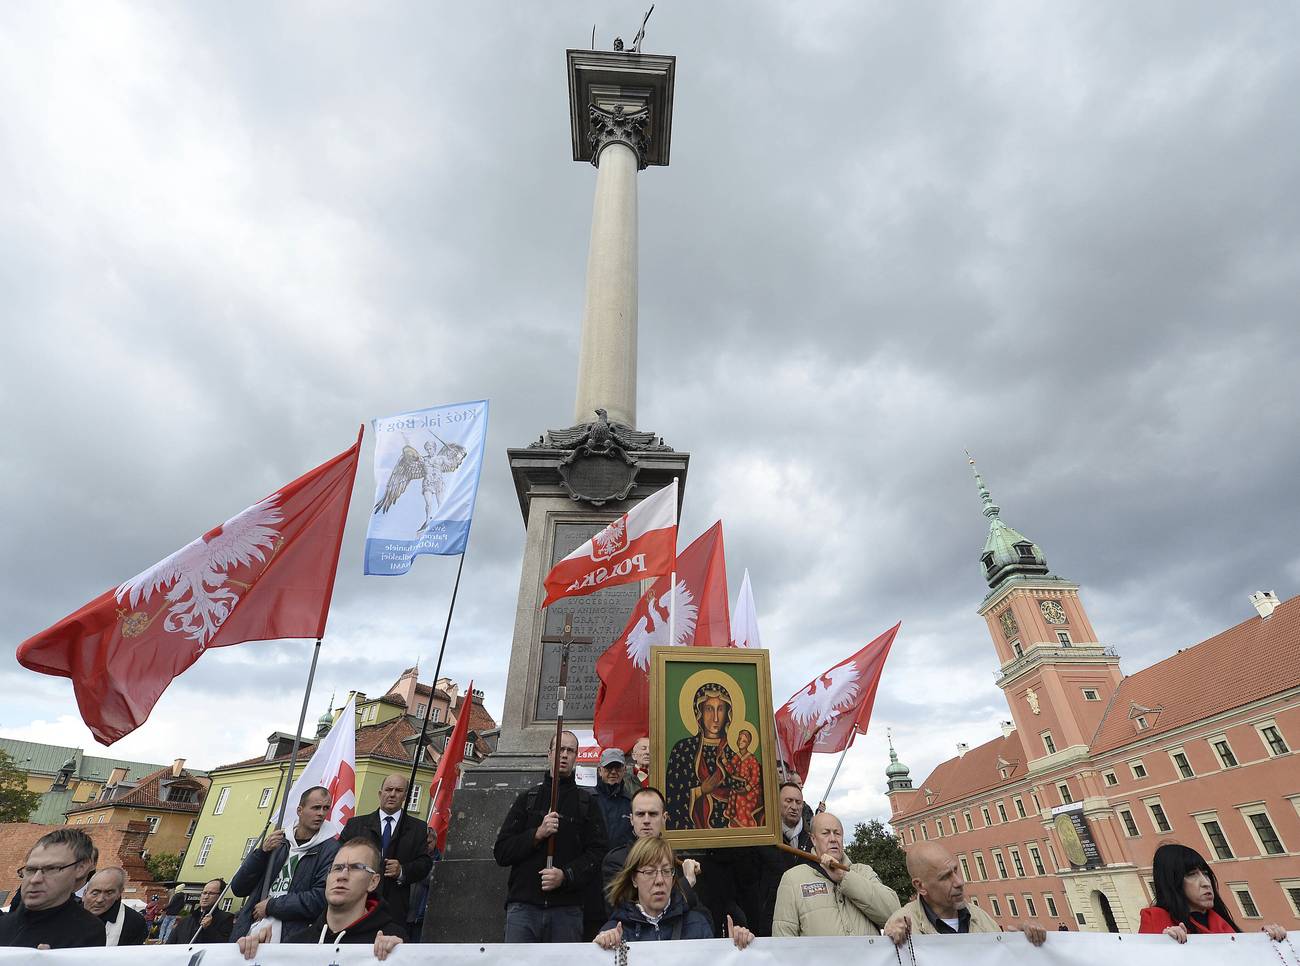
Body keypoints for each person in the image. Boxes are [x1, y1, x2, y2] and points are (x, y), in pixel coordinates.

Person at [493, 729, 608, 942]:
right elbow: (502, 852)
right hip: (523, 909)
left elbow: (597, 853)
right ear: (549, 754)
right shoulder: (527, 799)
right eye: (560, 749)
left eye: (570, 751)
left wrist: (566, 875)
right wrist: (537, 834)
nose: (564, 755)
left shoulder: (587, 804)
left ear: (576, 757)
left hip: (567, 911)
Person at [239, 838, 404, 961]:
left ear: (373, 882)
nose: (342, 875)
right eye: (337, 868)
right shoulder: (297, 943)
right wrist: (261, 956)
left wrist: (400, 957)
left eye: (355, 868)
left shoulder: (392, 941)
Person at [595, 837, 752, 948]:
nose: (659, 880)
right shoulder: (615, 931)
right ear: (634, 879)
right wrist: (601, 949)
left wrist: (734, 951)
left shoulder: (697, 924)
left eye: (666, 871)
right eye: (649, 872)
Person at [230, 785, 341, 942]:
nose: (321, 813)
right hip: (251, 930)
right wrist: (261, 853)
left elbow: (321, 898)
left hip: (292, 937)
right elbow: (239, 888)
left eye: (325, 808)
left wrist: (271, 906)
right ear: (299, 810)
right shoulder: (279, 842)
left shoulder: (331, 849)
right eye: (316, 807)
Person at [883, 842, 1045, 944]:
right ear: (920, 886)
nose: (959, 882)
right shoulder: (902, 927)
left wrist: (1023, 943)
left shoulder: (982, 919)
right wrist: (889, 943)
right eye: (945, 877)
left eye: (956, 870)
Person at [772, 811, 900, 937]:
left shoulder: (864, 872)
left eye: (837, 833)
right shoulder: (793, 879)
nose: (833, 839)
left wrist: (845, 878)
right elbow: (784, 940)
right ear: (813, 839)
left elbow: (894, 914)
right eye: (825, 833)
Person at [1138, 843, 1287, 943]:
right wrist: (1162, 945)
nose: (1205, 882)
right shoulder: (1155, 919)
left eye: (1205, 873)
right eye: (1191, 874)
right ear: (1172, 881)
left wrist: (1264, 940)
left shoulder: (1221, 922)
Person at [339, 773, 432, 928]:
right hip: (358, 904)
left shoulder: (418, 828)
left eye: (398, 790)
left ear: (405, 796)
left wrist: (402, 870)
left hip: (395, 910)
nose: (392, 794)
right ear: (380, 793)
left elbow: (424, 863)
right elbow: (339, 858)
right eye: (388, 790)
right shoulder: (356, 825)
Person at [602, 787, 708, 921]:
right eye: (640, 814)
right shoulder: (616, 861)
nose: (646, 820)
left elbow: (701, 914)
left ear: (664, 818)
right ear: (631, 819)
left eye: (653, 814)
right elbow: (622, 912)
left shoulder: (674, 861)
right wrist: (686, 884)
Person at [0, 828, 105, 949]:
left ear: (81, 868)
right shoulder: (3, 924)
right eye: (31, 870)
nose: (35, 879)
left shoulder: (88, 931)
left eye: (51, 869)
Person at [666, 683, 739, 830]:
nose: (716, 718)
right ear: (698, 712)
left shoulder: (734, 756)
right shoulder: (683, 750)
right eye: (709, 709)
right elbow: (671, 795)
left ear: (728, 713)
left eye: (720, 709)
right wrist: (700, 790)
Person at [756, 781, 814, 935]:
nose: (794, 807)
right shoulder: (763, 841)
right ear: (777, 803)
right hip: (771, 922)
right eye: (788, 801)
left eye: (798, 802)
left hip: (808, 923)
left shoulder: (813, 841)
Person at [82, 867, 147, 946]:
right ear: (85, 893)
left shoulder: (133, 922)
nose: (100, 900)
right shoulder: (69, 913)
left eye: (109, 893)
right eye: (95, 893)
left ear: (119, 894)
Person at [168, 878, 234, 944]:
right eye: (204, 893)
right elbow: (170, 943)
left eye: (211, 893)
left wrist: (208, 929)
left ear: (220, 896)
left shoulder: (226, 918)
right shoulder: (186, 920)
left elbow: (223, 944)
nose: (205, 897)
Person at [722, 729, 763, 827]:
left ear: (748, 743)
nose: (740, 742)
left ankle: (745, 826)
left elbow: (755, 778)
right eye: (739, 739)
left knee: (741, 799)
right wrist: (724, 760)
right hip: (739, 786)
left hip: (751, 789)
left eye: (744, 741)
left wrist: (747, 788)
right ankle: (733, 823)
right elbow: (731, 770)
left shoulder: (752, 759)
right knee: (733, 793)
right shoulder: (737, 756)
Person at [595, 749, 634, 849]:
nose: (613, 772)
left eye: (617, 768)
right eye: (609, 767)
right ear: (600, 770)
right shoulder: (589, 799)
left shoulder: (631, 802)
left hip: (622, 861)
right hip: (594, 861)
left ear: (624, 770)